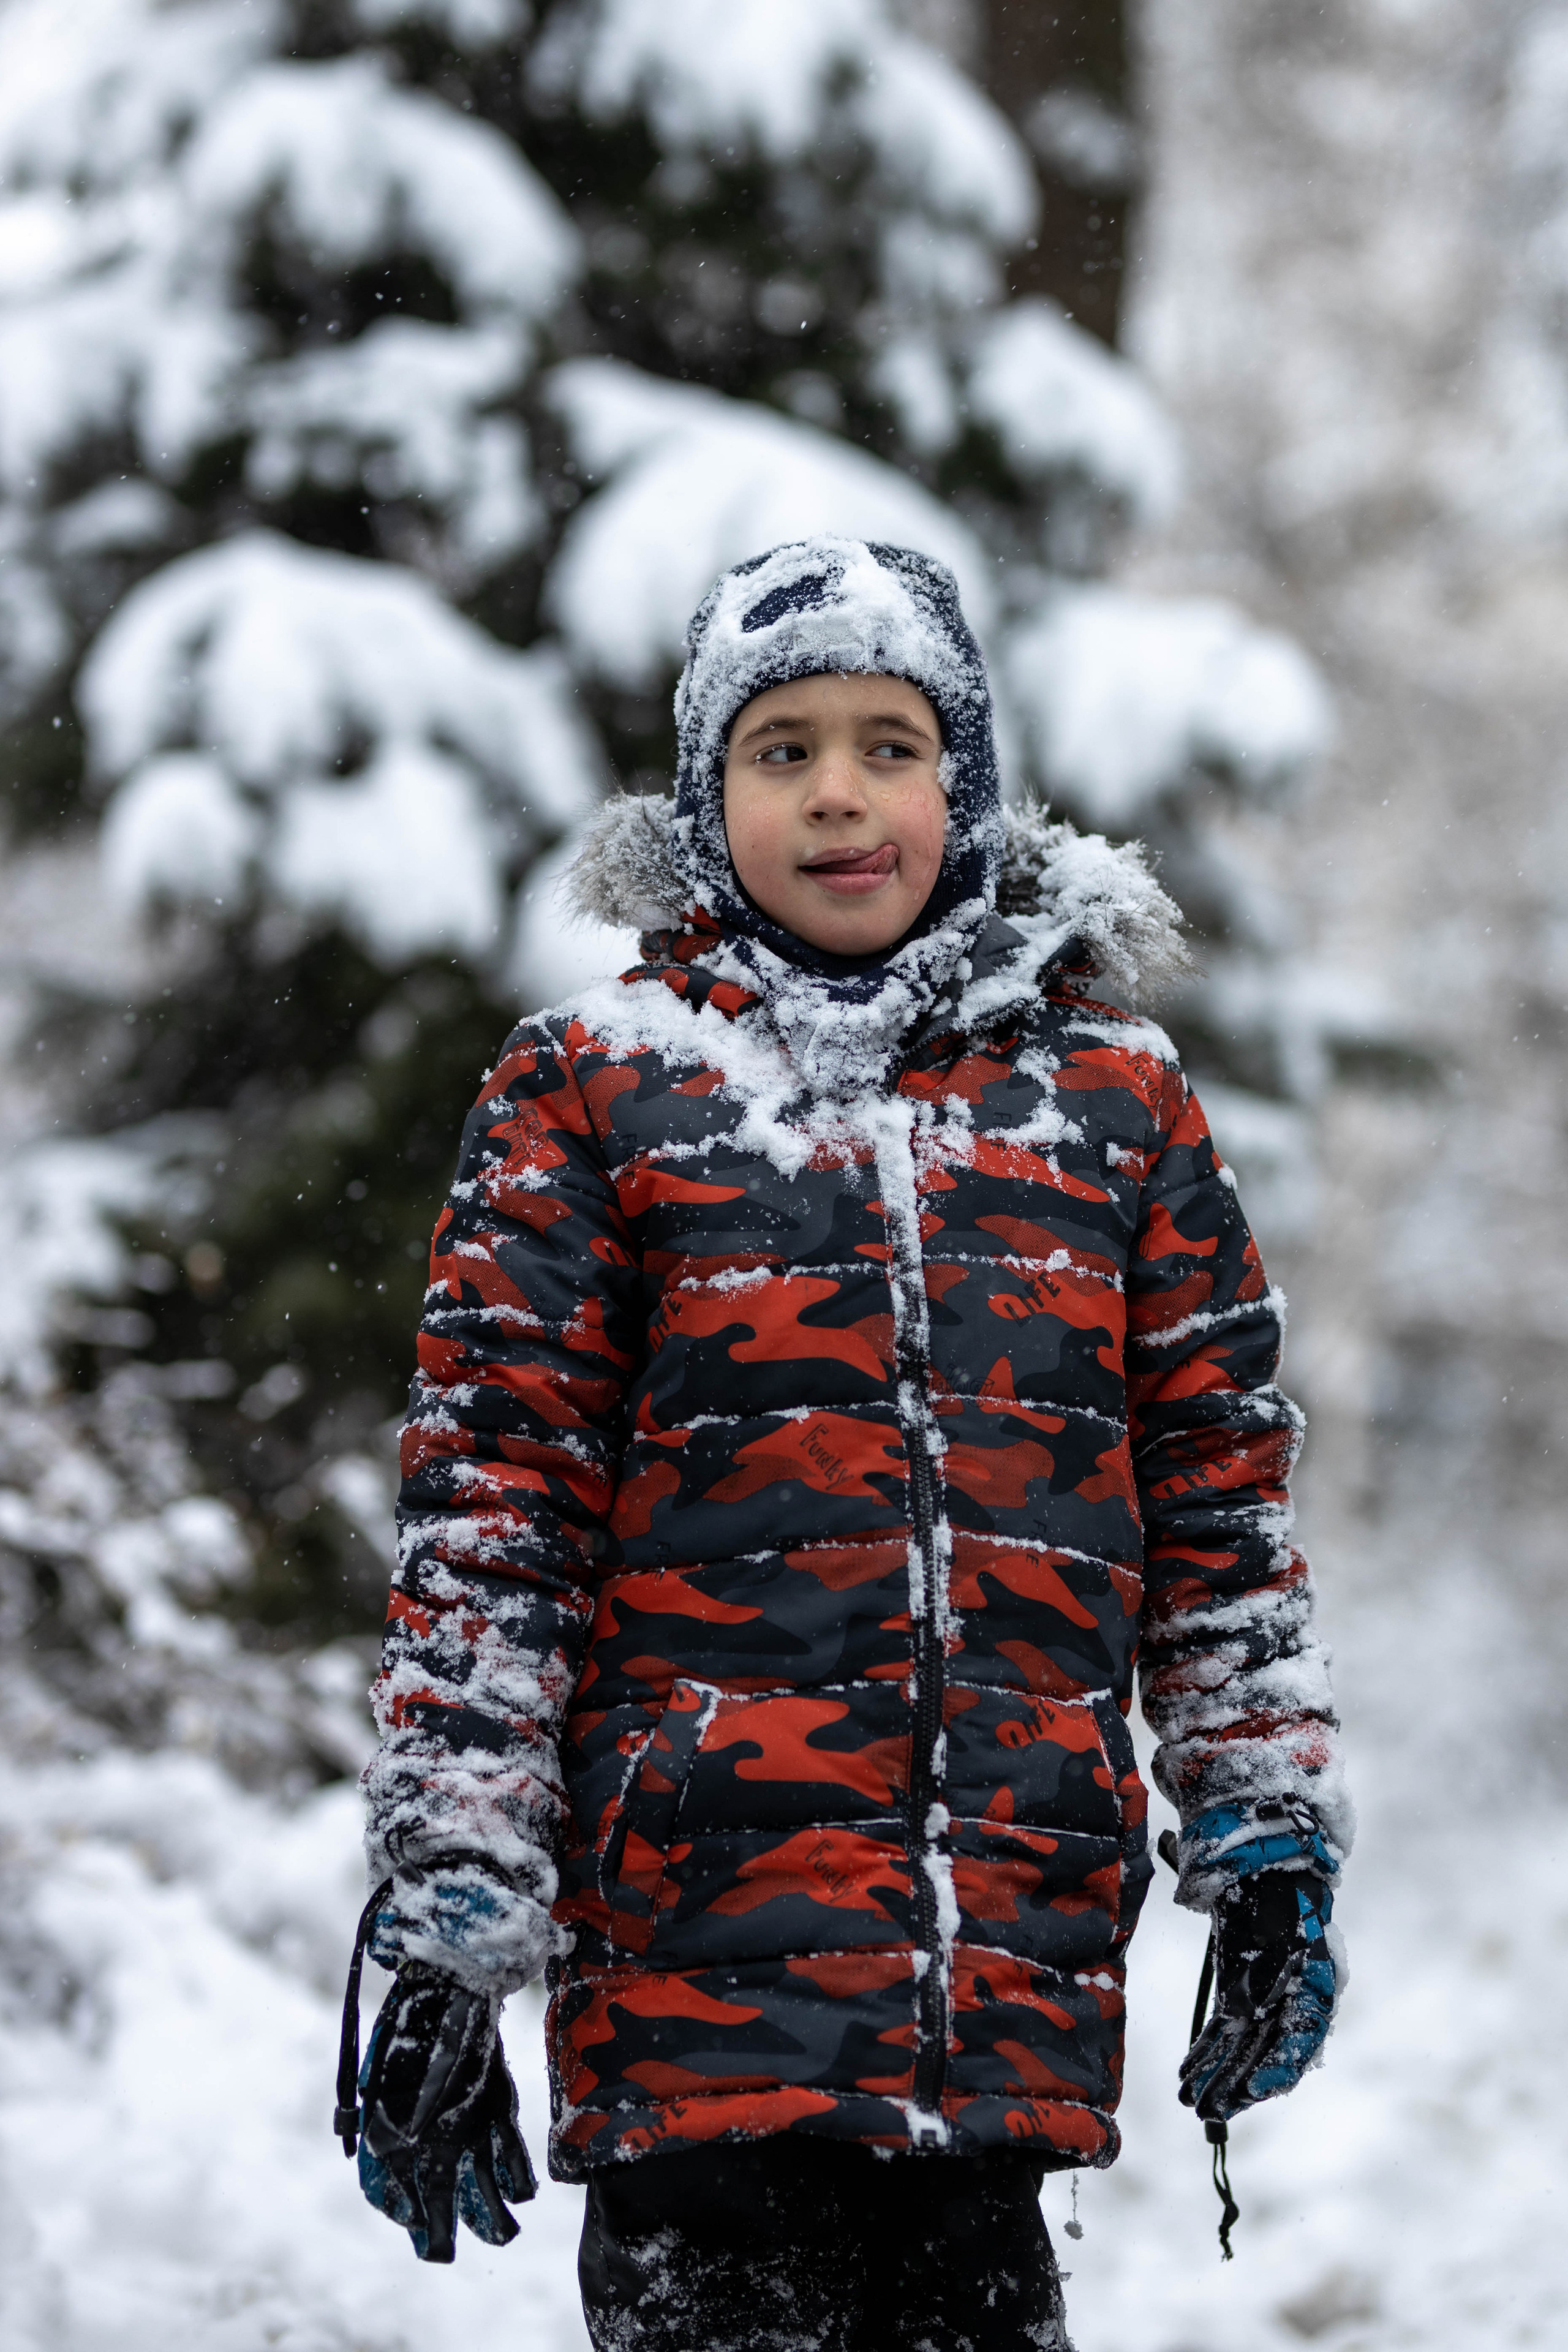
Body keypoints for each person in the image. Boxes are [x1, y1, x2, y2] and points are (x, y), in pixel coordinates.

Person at [341, 538, 1352, 2350]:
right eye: (780, 749)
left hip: (1003, 1977)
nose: (837, 794)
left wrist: (1268, 1831)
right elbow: (494, 1533)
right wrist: (450, 1909)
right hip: (693, 1984)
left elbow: (1219, 1516)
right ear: (702, 797)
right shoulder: (593, 1089)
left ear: (967, 784)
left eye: (892, 745)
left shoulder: (1113, 1108)